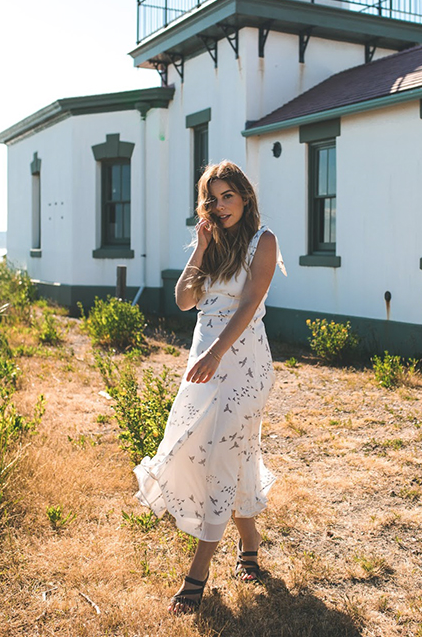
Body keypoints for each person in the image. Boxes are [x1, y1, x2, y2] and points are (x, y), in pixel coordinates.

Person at [133, 160, 285, 614]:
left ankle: (196, 575)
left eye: (228, 196)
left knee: (222, 452)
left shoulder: (264, 241)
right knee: (214, 452)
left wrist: (217, 352)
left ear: (245, 198)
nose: (220, 206)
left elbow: (250, 302)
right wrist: (199, 248)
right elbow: (184, 300)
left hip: (242, 360)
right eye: (212, 198)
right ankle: (251, 546)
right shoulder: (211, 244)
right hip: (203, 361)